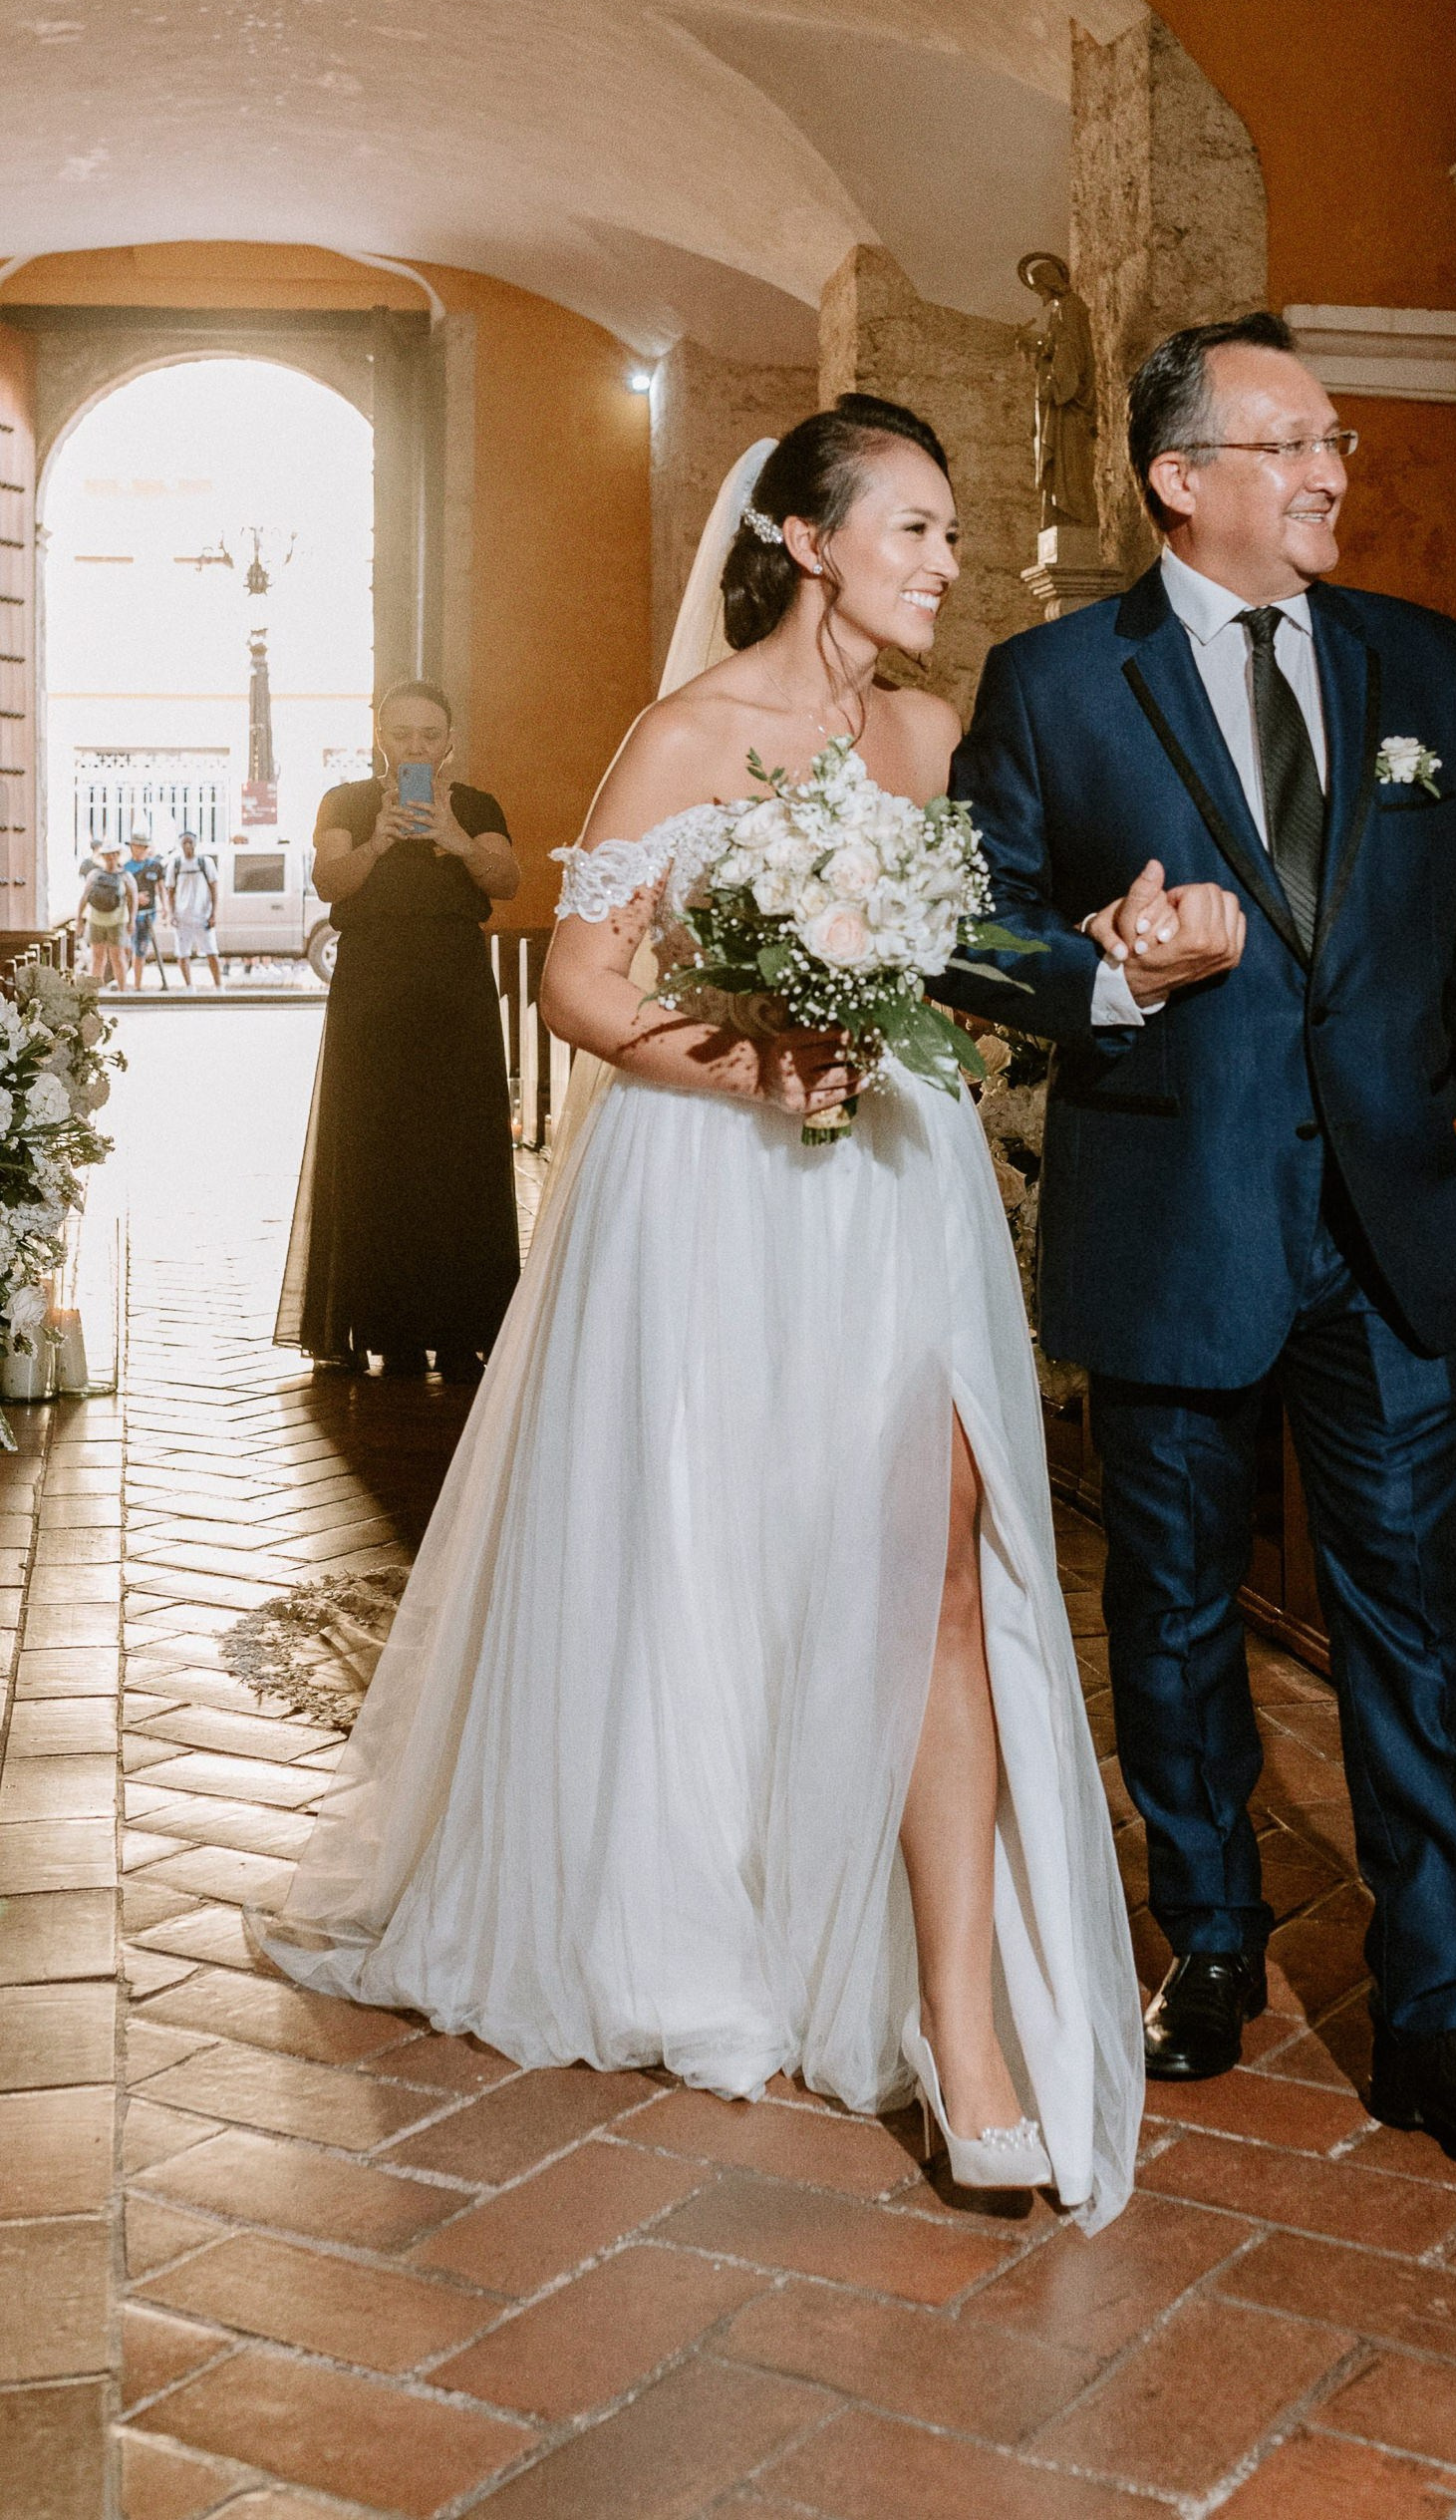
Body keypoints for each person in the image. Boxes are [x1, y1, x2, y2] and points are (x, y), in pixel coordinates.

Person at [251, 400, 1142, 2226]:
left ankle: (962, 2036)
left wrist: (1098, 961)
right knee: (715, 1553)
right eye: (911, 528)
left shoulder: (929, 732)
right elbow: (584, 977)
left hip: (898, 1191)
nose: (943, 562)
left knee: (941, 1566)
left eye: (949, 535)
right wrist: (755, 1070)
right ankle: (700, 1917)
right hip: (722, 1188)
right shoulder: (688, 735)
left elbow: (976, 956)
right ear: (808, 541)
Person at [947, 311, 1456, 2169]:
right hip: (1170, 1216)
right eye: (1292, 442)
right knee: (1168, 1617)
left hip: (1391, 1231)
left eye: (1335, 444)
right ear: (1179, 478)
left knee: (1411, 1622)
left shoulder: (1425, 667)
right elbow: (969, 930)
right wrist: (1112, 973)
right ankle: (1210, 1943)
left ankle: (1439, 2025)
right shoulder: (1059, 681)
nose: (1329, 472)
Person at [276, 684, 519, 1382]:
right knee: (373, 1142)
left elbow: (506, 880)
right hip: (372, 987)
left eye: (429, 734)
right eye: (402, 732)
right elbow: (330, 882)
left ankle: (462, 1327)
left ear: (448, 741)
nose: (416, 745)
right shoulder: (346, 802)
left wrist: (454, 838)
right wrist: (380, 839)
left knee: (460, 1149)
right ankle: (381, 1327)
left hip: (456, 988)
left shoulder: (475, 805)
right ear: (381, 735)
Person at [168, 833, 222, 990]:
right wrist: (172, 914)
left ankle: (219, 986)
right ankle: (189, 986)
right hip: (182, 916)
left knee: (212, 951)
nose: (188, 846)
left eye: (190, 842)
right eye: (184, 843)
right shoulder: (176, 864)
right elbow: (170, 891)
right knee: (183, 953)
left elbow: (214, 889)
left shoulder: (206, 863)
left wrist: (213, 914)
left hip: (203, 915)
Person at [77, 844, 131, 987]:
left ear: (118, 855)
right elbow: (85, 897)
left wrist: (132, 921)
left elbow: (133, 898)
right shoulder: (94, 875)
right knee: (97, 957)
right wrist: (79, 919)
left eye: (113, 854)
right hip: (96, 920)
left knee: (117, 957)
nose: (111, 857)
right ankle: (95, 991)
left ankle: (122, 990)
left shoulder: (125, 876)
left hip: (117, 921)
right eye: (107, 854)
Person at [124, 831, 170, 991]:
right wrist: (136, 897)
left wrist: (165, 907)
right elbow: (121, 891)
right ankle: (123, 982)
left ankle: (137, 985)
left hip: (148, 914)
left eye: (143, 847)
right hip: (129, 914)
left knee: (141, 949)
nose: (139, 850)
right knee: (126, 949)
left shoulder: (155, 866)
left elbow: (161, 888)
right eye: (137, 846)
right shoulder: (125, 868)